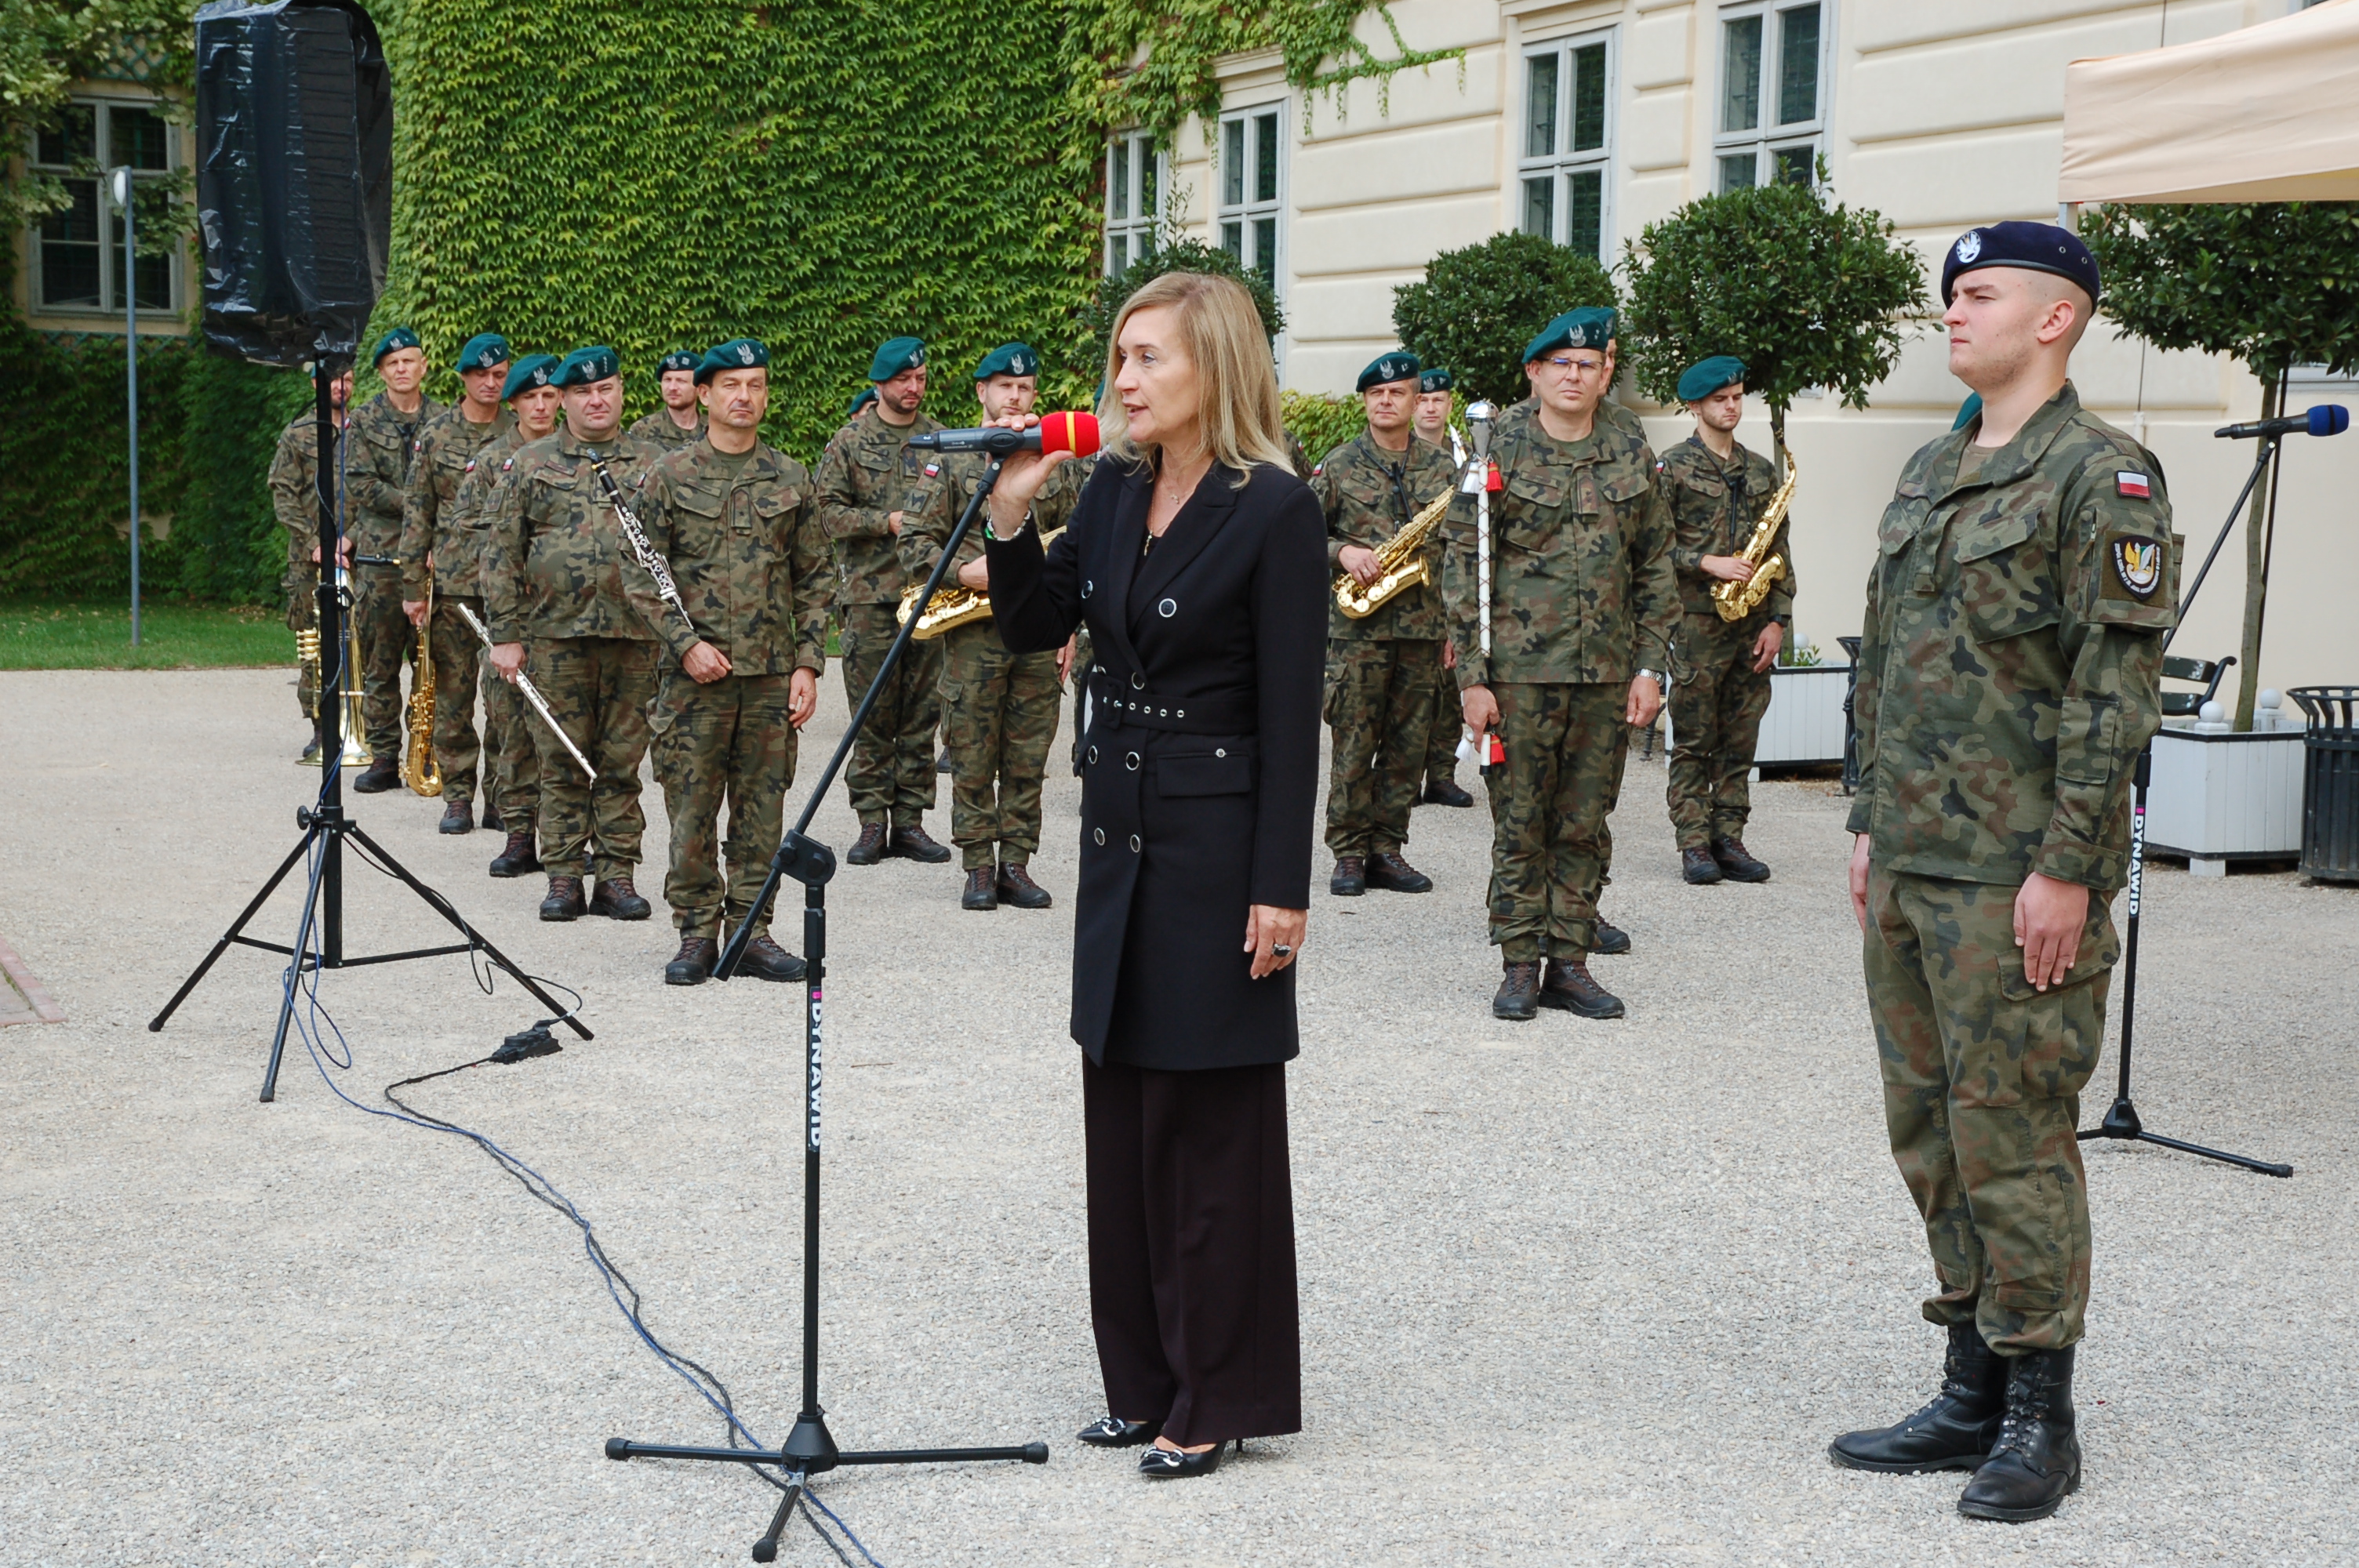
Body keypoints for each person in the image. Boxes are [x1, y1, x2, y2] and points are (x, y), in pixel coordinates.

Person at [1832, 223, 2173, 1524]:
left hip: (2015, 874)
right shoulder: (1929, 467)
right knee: (1926, 1128)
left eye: (1975, 296)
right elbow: (1882, 658)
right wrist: (1866, 818)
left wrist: (2072, 871)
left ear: (2054, 318)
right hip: (1915, 861)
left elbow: (2111, 696)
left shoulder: (2102, 480)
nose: (1950, 315)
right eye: (1948, 298)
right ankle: (1967, 1383)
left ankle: (2041, 1414)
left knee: (2013, 1136)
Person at [980, 270, 1323, 1479]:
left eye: (1146, 359)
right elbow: (1035, 625)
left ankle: (1220, 1390)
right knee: (1123, 1114)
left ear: (1211, 369)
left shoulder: (1274, 508)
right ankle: (1142, 1377)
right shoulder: (1120, 486)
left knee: (1210, 1128)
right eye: (1119, 356)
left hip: (1219, 844)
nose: (1121, 380)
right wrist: (1015, 518)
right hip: (1122, 837)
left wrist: (1282, 886)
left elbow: (1292, 714)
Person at [1441, 312, 1675, 1022]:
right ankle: (1519, 963)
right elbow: (1463, 567)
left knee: (1585, 823)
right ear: (1534, 373)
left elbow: (1656, 565)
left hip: (1605, 677)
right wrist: (1473, 681)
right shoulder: (1496, 450)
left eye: (1587, 364)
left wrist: (1649, 667)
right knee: (1519, 823)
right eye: (1559, 364)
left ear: (1605, 372)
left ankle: (1569, 962)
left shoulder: (1629, 449)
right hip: (1518, 677)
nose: (1574, 376)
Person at [620, 338, 823, 985]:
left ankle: (751, 929)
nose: (746, 396)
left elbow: (816, 576)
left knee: (763, 810)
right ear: (703, 395)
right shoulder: (670, 477)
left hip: (768, 678)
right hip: (694, 682)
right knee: (691, 808)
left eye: (757, 384)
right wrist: (686, 645)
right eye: (732, 385)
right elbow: (638, 574)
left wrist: (808, 664)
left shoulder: (790, 478)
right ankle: (695, 932)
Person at [482, 345, 660, 924]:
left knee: (620, 762)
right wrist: (505, 635)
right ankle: (563, 876)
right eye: (583, 392)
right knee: (560, 760)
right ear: (562, 400)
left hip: (636, 638)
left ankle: (616, 875)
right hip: (552, 640)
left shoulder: (656, 464)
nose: (597, 399)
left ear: (622, 392)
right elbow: (501, 552)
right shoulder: (532, 463)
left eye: (606, 388)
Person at [900, 342, 1081, 910]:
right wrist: (963, 570)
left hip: (1038, 632)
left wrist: (1070, 628)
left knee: (1029, 755)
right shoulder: (953, 459)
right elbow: (913, 542)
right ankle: (978, 865)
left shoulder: (1054, 459)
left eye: (1025, 388)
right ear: (981, 391)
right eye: (1004, 386)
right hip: (973, 633)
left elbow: (1075, 546)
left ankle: (1017, 864)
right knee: (974, 751)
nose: (1015, 397)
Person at [1310, 350, 1456, 896]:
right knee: (1354, 742)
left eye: (1398, 393)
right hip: (1357, 632)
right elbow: (1299, 533)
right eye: (1378, 394)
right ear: (1367, 401)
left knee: (1408, 744)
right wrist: (1343, 551)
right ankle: (1348, 852)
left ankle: (1388, 848)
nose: (1387, 401)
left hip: (1422, 629)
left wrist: (1455, 631)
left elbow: (1461, 552)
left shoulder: (1444, 469)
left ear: (1418, 401)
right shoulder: (1341, 463)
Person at [813, 336, 954, 866]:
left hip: (928, 596)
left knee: (921, 715)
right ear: (880, 383)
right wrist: (884, 522)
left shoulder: (939, 439)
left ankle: (912, 822)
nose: (913, 388)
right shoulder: (850, 442)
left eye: (919, 379)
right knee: (872, 715)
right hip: (871, 599)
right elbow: (826, 513)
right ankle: (872, 822)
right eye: (903, 380)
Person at [1657, 355, 1792, 885]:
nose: (1731, 406)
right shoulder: (1671, 468)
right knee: (1694, 737)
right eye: (1720, 399)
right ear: (1695, 406)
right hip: (1696, 623)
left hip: (1751, 620)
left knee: (1740, 737)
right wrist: (1703, 561)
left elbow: (1781, 549)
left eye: (1737, 397)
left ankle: (1729, 836)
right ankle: (1693, 841)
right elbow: (1650, 545)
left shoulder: (1760, 470)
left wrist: (1778, 621)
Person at [399, 331, 514, 833]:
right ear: (463, 378)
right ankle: (459, 794)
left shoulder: (522, 432)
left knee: (506, 700)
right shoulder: (437, 435)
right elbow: (417, 512)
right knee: (453, 694)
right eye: (481, 376)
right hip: (452, 583)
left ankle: (501, 797)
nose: (491, 384)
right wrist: (411, 586)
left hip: (508, 587)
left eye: (499, 375)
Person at [460, 354, 563, 879]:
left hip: (570, 622)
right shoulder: (493, 461)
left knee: (568, 734)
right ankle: (520, 834)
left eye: (550, 397)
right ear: (515, 404)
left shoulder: (582, 456)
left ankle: (569, 840)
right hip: (513, 618)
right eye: (531, 398)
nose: (542, 406)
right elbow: (469, 533)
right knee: (514, 731)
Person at [338, 328, 443, 791]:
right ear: (382, 373)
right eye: (392, 364)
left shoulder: (445, 419)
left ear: (423, 367)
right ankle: (384, 754)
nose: (402, 369)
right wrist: (418, 503)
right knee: (382, 663)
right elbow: (359, 483)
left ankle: (433, 749)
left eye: (409, 361)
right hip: (382, 558)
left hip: (438, 558)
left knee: (439, 662)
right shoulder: (362, 421)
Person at [267, 365, 353, 764]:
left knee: (360, 639)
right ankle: (320, 725)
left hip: (358, 551)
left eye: (348, 379)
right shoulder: (298, 434)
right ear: (316, 384)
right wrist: (314, 541)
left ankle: (359, 725)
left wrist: (357, 539)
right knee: (313, 639)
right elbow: (283, 494)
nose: (341, 387)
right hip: (310, 558)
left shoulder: (367, 430)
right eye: (334, 380)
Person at [1410, 365, 1475, 809]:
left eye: (1439, 400)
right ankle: (1406, 775)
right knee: (1412, 692)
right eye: (1423, 400)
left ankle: (1442, 774)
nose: (1430, 408)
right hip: (1410, 590)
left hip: (1455, 583)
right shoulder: (1396, 452)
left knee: (1450, 688)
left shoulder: (1469, 457)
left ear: (1450, 404)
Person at [628, 350, 707, 450]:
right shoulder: (642, 431)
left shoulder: (713, 430)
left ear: (699, 389)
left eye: (681, 381)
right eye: (667, 380)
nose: (672, 387)